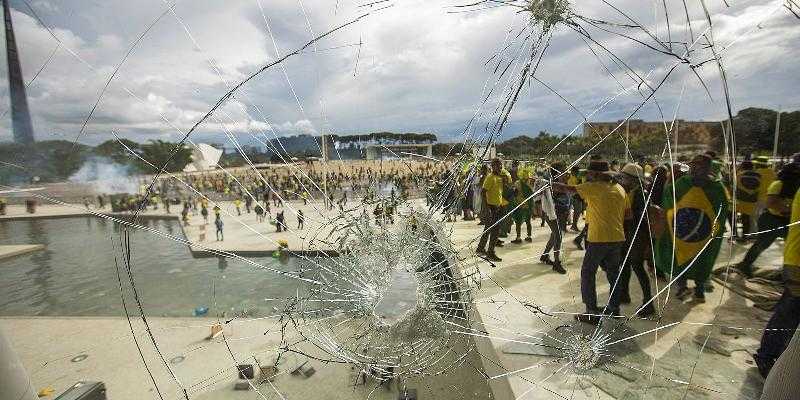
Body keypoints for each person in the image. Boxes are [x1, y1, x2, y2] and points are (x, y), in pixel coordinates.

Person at [554, 160, 627, 324]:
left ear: (596, 174)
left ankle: (591, 312)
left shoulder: (594, 187)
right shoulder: (619, 189)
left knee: (588, 273)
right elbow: (627, 214)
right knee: (614, 274)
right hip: (617, 238)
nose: (587, 175)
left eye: (589, 173)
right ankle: (614, 308)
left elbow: (567, 189)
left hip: (599, 238)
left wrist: (549, 183)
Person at [654, 154, 729, 302]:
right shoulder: (686, 184)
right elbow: (669, 201)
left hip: (695, 234)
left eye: (698, 166)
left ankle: (695, 289)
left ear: (707, 168)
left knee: (694, 260)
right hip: (690, 233)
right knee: (688, 259)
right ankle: (688, 288)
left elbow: (721, 211)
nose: (695, 169)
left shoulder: (714, 188)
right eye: (693, 165)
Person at [753, 188, 800, 378]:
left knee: (789, 310)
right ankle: (767, 356)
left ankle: (769, 354)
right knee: (790, 312)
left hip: (794, 259)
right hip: (797, 261)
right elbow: (772, 201)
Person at [735, 162, 800, 277]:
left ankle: (789, 271)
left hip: (787, 221)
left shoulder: (796, 186)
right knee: (762, 244)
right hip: (771, 220)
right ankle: (745, 265)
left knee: (792, 247)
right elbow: (771, 203)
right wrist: (789, 210)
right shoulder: (778, 184)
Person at [616, 163, 656, 317]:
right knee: (625, 265)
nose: (622, 180)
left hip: (637, 236)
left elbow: (640, 219)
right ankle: (624, 294)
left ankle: (648, 302)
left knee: (637, 267)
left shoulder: (640, 194)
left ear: (633, 179)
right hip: (629, 235)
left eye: (625, 177)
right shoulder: (633, 191)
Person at [535, 163, 567, 274]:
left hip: (561, 210)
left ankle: (544, 256)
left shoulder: (561, 179)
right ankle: (557, 263)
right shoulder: (547, 180)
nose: (565, 170)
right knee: (558, 235)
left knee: (555, 234)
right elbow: (539, 194)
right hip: (551, 211)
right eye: (563, 169)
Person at [477, 158, 509, 262]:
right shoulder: (490, 177)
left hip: (497, 207)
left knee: (490, 229)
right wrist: (487, 209)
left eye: (501, 165)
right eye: (497, 165)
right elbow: (483, 192)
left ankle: (481, 248)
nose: (499, 167)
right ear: (492, 166)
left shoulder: (499, 177)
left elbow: (501, 190)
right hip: (491, 207)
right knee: (494, 231)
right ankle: (490, 252)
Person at [734, 160, 761, 240]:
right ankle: (744, 236)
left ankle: (735, 234)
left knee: (733, 216)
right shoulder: (759, 175)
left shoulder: (739, 175)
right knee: (746, 218)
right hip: (752, 201)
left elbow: (734, 187)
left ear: (743, 166)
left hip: (740, 200)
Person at [510, 168, 534, 244]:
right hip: (528, 206)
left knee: (518, 222)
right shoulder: (530, 184)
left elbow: (515, 193)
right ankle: (529, 236)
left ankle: (518, 237)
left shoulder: (517, 183)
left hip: (520, 205)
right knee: (528, 222)